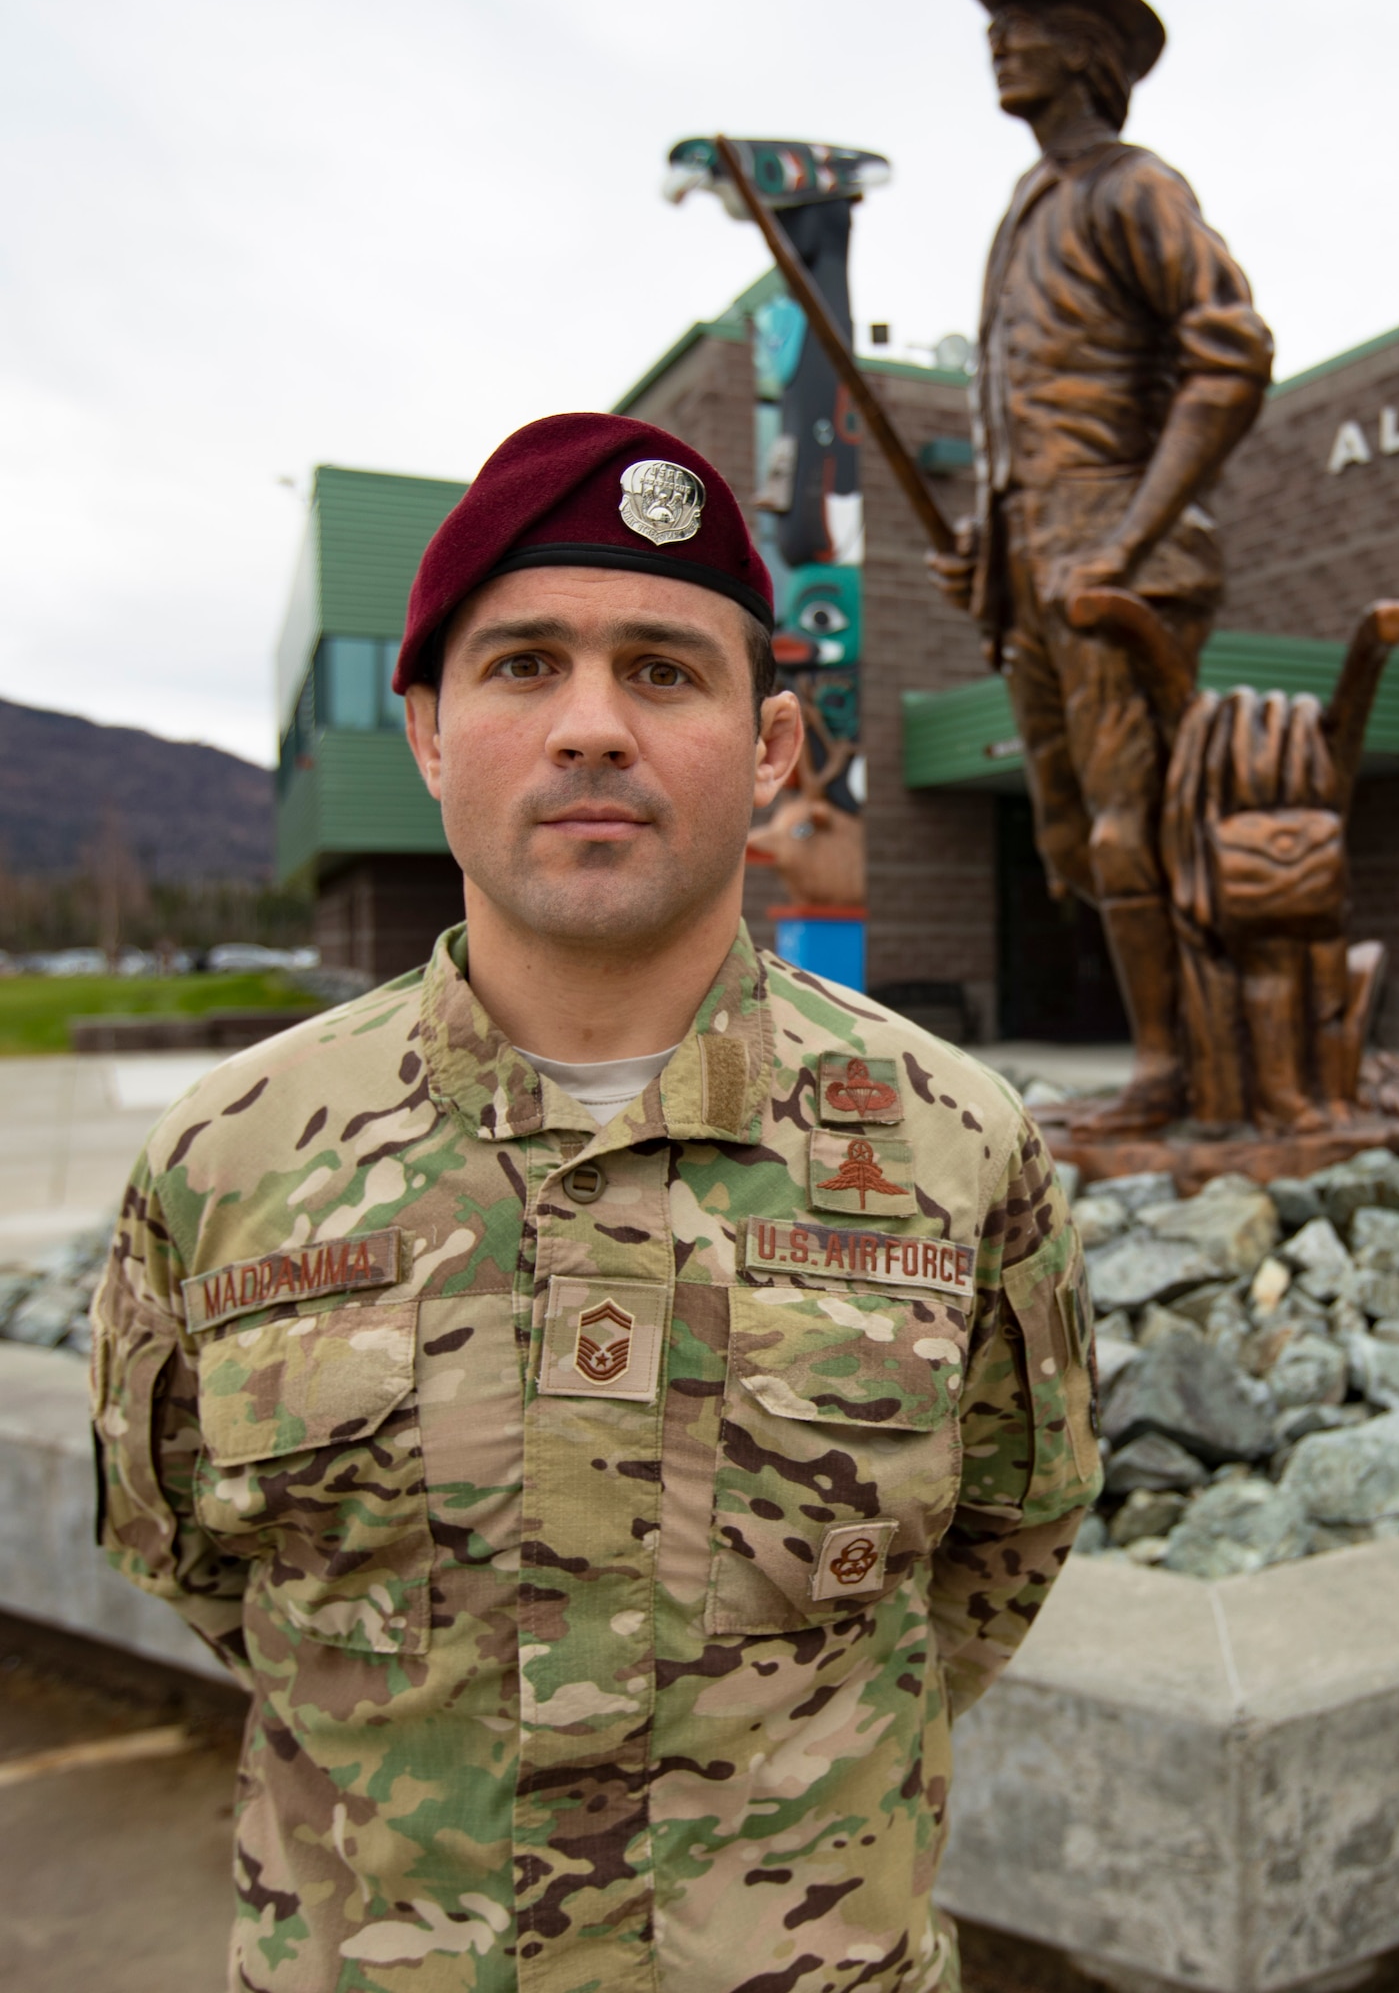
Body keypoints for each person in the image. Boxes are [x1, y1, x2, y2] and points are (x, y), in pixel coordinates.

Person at [92, 412, 1101, 1993]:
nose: (590, 729)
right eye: (522, 667)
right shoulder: (231, 1159)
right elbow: (184, 1552)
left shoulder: (955, 1149)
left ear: (770, 751)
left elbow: (1003, 1544)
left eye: (664, 669)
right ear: (426, 733)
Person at [929, 0, 1275, 1133]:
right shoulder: (1026, 210)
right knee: (1068, 837)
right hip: (1036, 561)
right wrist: (988, 549)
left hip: (1118, 559)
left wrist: (1124, 543)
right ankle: (1173, 1053)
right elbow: (1019, 415)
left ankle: (1183, 1071)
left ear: (1083, 51)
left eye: (1020, 21)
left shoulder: (1135, 188)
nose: (995, 39)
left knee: (1136, 823)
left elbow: (1230, 355)